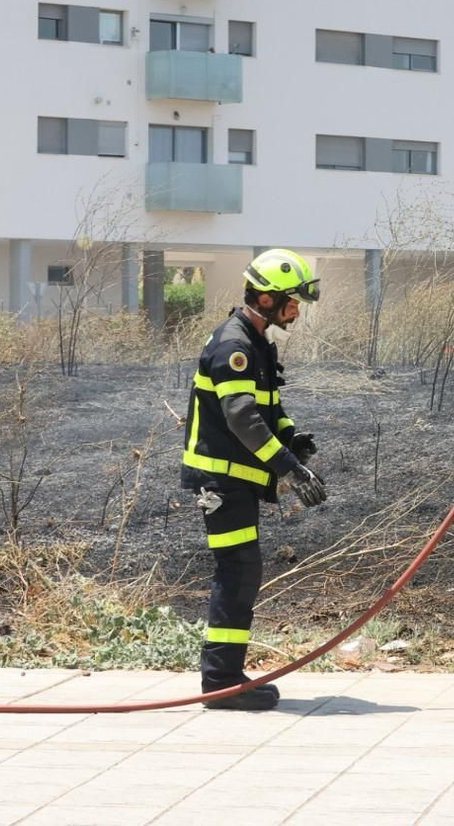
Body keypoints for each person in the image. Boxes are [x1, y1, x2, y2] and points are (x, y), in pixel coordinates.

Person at [180, 249, 329, 710]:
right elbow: (242, 418)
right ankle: (221, 682)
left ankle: (227, 676)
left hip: (236, 481)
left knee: (243, 571)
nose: (297, 310)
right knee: (237, 571)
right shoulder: (235, 345)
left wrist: (292, 442)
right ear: (266, 298)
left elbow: (268, 412)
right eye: (292, 300)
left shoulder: (257, 341)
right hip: (222, 481)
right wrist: (289, 467)